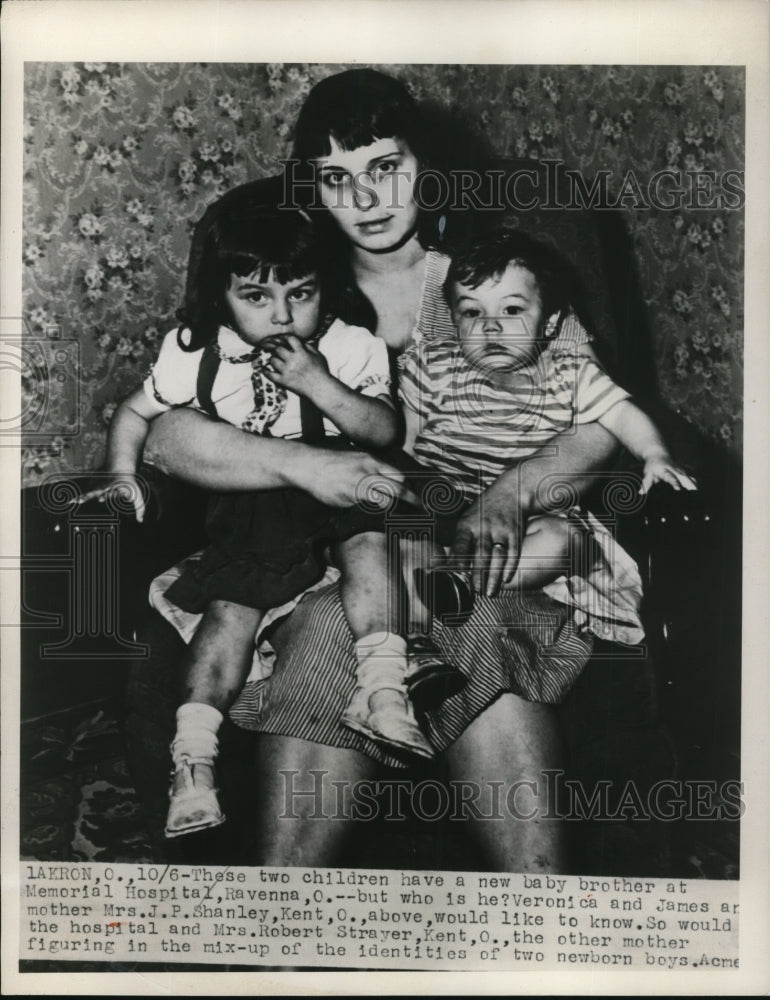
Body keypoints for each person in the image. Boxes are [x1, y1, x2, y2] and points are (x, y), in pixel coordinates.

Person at [141, 68, 671, 872]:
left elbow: (597, 423)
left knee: (454, 607)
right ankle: (285, 930)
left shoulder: (488, 278)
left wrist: (510, 492)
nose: (366, 199)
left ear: (427, 165)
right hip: (330, 545)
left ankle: (541, 920)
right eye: (336, 179)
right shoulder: (290, 287)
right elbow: (165, 435)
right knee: (338, 617)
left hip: (484, 537)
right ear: (311, 190)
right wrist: (304, 466)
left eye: (384, 167)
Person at [85, 189, 465, 839]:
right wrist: (122, 477)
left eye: (302, 293)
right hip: (255, 503)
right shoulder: (194, 351)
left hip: (344, 484)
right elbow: (137, 412)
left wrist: (319, 383)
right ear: (221, 295)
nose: (283, 314)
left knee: (373, 548)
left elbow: (381, 430)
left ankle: (383, 690)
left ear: (327, 286)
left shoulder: (348, 344)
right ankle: (194, 761)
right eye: (256, 297)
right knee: (230, 610)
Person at [402, 228, 696, 622]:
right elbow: (405, 446)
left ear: (550, 322)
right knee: (396, 535)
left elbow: (622, 414)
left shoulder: (570, 374)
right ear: (452, 320)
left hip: (533, 520)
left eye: (511, 311)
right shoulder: (431, 366)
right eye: (472, 312)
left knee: (561, 540)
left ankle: (468, 577)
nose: (491, 327)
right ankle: (449, 574)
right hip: (445, 509)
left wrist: (655, 455)